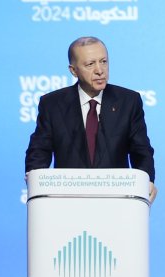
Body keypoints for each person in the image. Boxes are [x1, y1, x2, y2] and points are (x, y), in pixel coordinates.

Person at [24, 36, 157, 202]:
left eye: (104, 61)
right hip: (67, 200)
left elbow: (141, 150)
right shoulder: (52, 104)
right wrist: (35, 178)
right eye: (90, 64)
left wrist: (147, 180)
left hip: (117, 200)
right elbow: (39, 150)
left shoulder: (128, 101)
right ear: (73, 70)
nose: (100, 70)